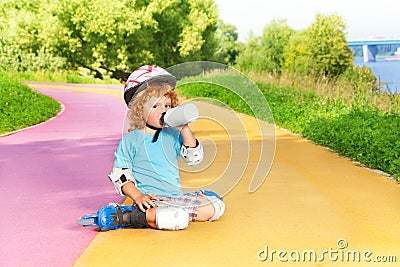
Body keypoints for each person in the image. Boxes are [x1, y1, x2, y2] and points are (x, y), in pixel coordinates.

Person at [78, 65, 225, 231]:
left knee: (214, 207)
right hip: (151, 200)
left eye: (167, 106)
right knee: (175, 219)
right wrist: (138, 196)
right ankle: (127, 216)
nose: (162, 111)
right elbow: (121, 176)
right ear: (140, 110)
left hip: (175, 199)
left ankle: (169, 215)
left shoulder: (173, 134)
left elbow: (194, 158)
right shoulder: (132, 140)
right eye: (155, 106)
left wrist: (184, 129)